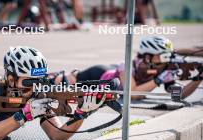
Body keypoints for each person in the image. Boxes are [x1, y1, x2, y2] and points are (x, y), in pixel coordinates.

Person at [0, 46, 108, 140]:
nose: (34, 87)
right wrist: (24, 115)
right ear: (11, 79)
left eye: (39, 81)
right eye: (28, 82)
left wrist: (81, 114)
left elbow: (57, 137)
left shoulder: (37, 95)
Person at [52, 36, 203, 100]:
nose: (167, 60)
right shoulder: (127, 66)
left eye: (168, 56)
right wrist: (159, 80)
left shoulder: (163, 70)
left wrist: (197, 79)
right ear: (147, 56)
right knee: (59, 84)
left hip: (107, 80)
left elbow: (178, 95)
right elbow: (132, 94)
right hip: (99, 74)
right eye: (163, 56)